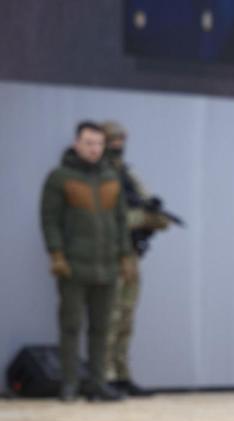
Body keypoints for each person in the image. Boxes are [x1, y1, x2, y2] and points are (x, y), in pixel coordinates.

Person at [40, 121, 132, 402]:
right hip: (74, 265)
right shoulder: (60, 177)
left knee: (102, 328)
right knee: (71, 326)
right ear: (77, 144)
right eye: (89, 143)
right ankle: (70, 384)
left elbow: (120, 220)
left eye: (98, 144)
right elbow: (49, 219)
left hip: (106, 266)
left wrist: (125, 255)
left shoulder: (111, 177)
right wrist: (56, 254)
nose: (94, 149)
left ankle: (97, 383)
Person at [101, 121, 170, 395]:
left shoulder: (125, 173)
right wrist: (141, 217)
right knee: (111, 315)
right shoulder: (102, 176)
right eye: (113, 140)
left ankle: (120, 374)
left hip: (129, 254)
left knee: (126, 317)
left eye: (121, 139)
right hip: (109, 254)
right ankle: (104, 374)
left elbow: (155, 213)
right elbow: (107, 218)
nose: (118, 144)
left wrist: (149, 210)